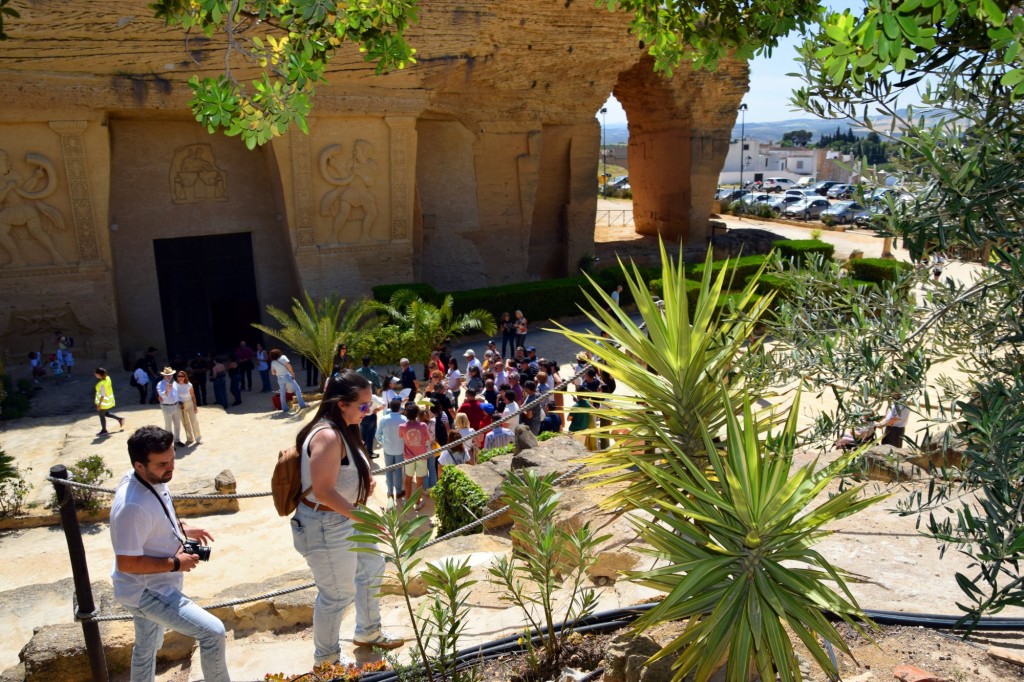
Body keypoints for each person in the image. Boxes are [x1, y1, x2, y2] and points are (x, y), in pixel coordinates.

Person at [290, 371, 405, 667]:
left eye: (371, 405)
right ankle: (326, 661)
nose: (369, 411)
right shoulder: (328, 435)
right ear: (342, 404)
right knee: (337, 595)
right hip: (326, 524)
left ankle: (368, 632)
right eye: (363, 406)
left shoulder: (343, 429)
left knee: (372, 567)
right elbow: (323, 491)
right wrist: (363, 518)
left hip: (343, 518)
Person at [109, 426, 229, 681]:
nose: (171, 466)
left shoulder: (147, 479)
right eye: (163, 463)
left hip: (151, 585)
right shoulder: (132, 506)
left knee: (147, 647)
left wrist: (183, 528)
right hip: (147, 591)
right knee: (213, 632)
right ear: (140, 465)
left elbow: (156, 517)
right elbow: (127, 563)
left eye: (173, 458)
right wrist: (176, 563)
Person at [398, 402, 430, 511]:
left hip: (408, 457)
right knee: (419, 480)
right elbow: (427, 438)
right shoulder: (423, 425)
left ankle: (407, 500)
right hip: (422, 456)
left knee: (408, 479)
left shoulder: (402, 426)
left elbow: (401, 437)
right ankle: (417, 502)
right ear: (417, 414)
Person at [375, 398, 407, 503]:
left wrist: (384, 442)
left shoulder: (384, 419)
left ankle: (389, 492)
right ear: (399, 408)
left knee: (388, 470)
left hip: (388, 449)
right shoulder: (404, 419)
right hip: (400, 449)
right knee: (398, 470)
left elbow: (378, 435)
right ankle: (398, 492)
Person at [356, 356, 383, 457]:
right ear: (369, 362)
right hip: (372, 404)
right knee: (371, 431)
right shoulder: (373, 373)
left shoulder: (357, 373)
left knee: (362, 427)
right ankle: (369, 451)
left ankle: (363, 447)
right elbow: (379, 387)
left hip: (360, 402)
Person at [270, 348, 308, 413]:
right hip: (287, 376)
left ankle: (285, 408)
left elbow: (273, 373)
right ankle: (302, 404)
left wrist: (278, 372)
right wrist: (292, 373)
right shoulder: (283, 357)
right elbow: (289, 366)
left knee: (282, 393)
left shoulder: (273, 362)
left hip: (279, 378)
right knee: (297, 389)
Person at [94, 367, 126, 437]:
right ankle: (120, 419)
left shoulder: (102, 384)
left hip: (103, 403)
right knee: (106, 413)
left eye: (96, 373)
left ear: (99, 374)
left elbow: (102, 395)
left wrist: (99, 404)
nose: (95, 374)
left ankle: (104, 430)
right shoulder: (108, 378)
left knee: (102, 416)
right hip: (108, 401)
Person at [156, 367, 184, 447]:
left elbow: (177, 394)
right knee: (168, 426)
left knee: (177, 424)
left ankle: (177, 440)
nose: (169, 376)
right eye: (167, 375)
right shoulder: (160, 384)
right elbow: (162, 396)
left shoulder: (174, 383)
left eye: (170, 375)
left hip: (176, 405)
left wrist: (180, 401)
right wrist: (167, 390)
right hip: (167, 407)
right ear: (164, 376)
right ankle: (170, 444)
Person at [175, 370, 202, 446]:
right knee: (185, 422)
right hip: (180, 405)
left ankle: (198, 438)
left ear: (185, 377)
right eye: (179, 376)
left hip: (189, 403)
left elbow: (193, 396)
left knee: (194, 421)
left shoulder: (189, 385)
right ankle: (190, 438)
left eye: (182, 376)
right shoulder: (175, 385)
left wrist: (195, 406)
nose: (180, 378)